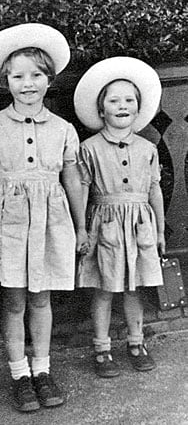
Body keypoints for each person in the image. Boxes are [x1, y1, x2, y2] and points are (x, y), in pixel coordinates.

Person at [0, 23, 88, 412]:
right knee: (15, 301)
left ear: (49, 79)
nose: (28, 83)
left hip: (50, 223)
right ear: (6, 80)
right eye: (18, 76)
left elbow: (71, 178)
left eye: (36, 75)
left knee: (42, 299)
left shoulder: (63, 129)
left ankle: (43, 369)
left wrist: (81, 225)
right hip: (9, 223)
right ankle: (19, 374)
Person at [73, 56, 165, 378]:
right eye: (114, 100)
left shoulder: (147, 148)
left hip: (139, 225)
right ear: (102, 111)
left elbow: (154, 191)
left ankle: (136, 342)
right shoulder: (89, 148)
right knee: (103, 288)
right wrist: (81, 230)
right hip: (105, 225)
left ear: (138, 109)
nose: (122, 106)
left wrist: (161, 231)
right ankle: (101, 348)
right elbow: (82, 190)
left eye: (129, 100)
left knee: (134, 287)